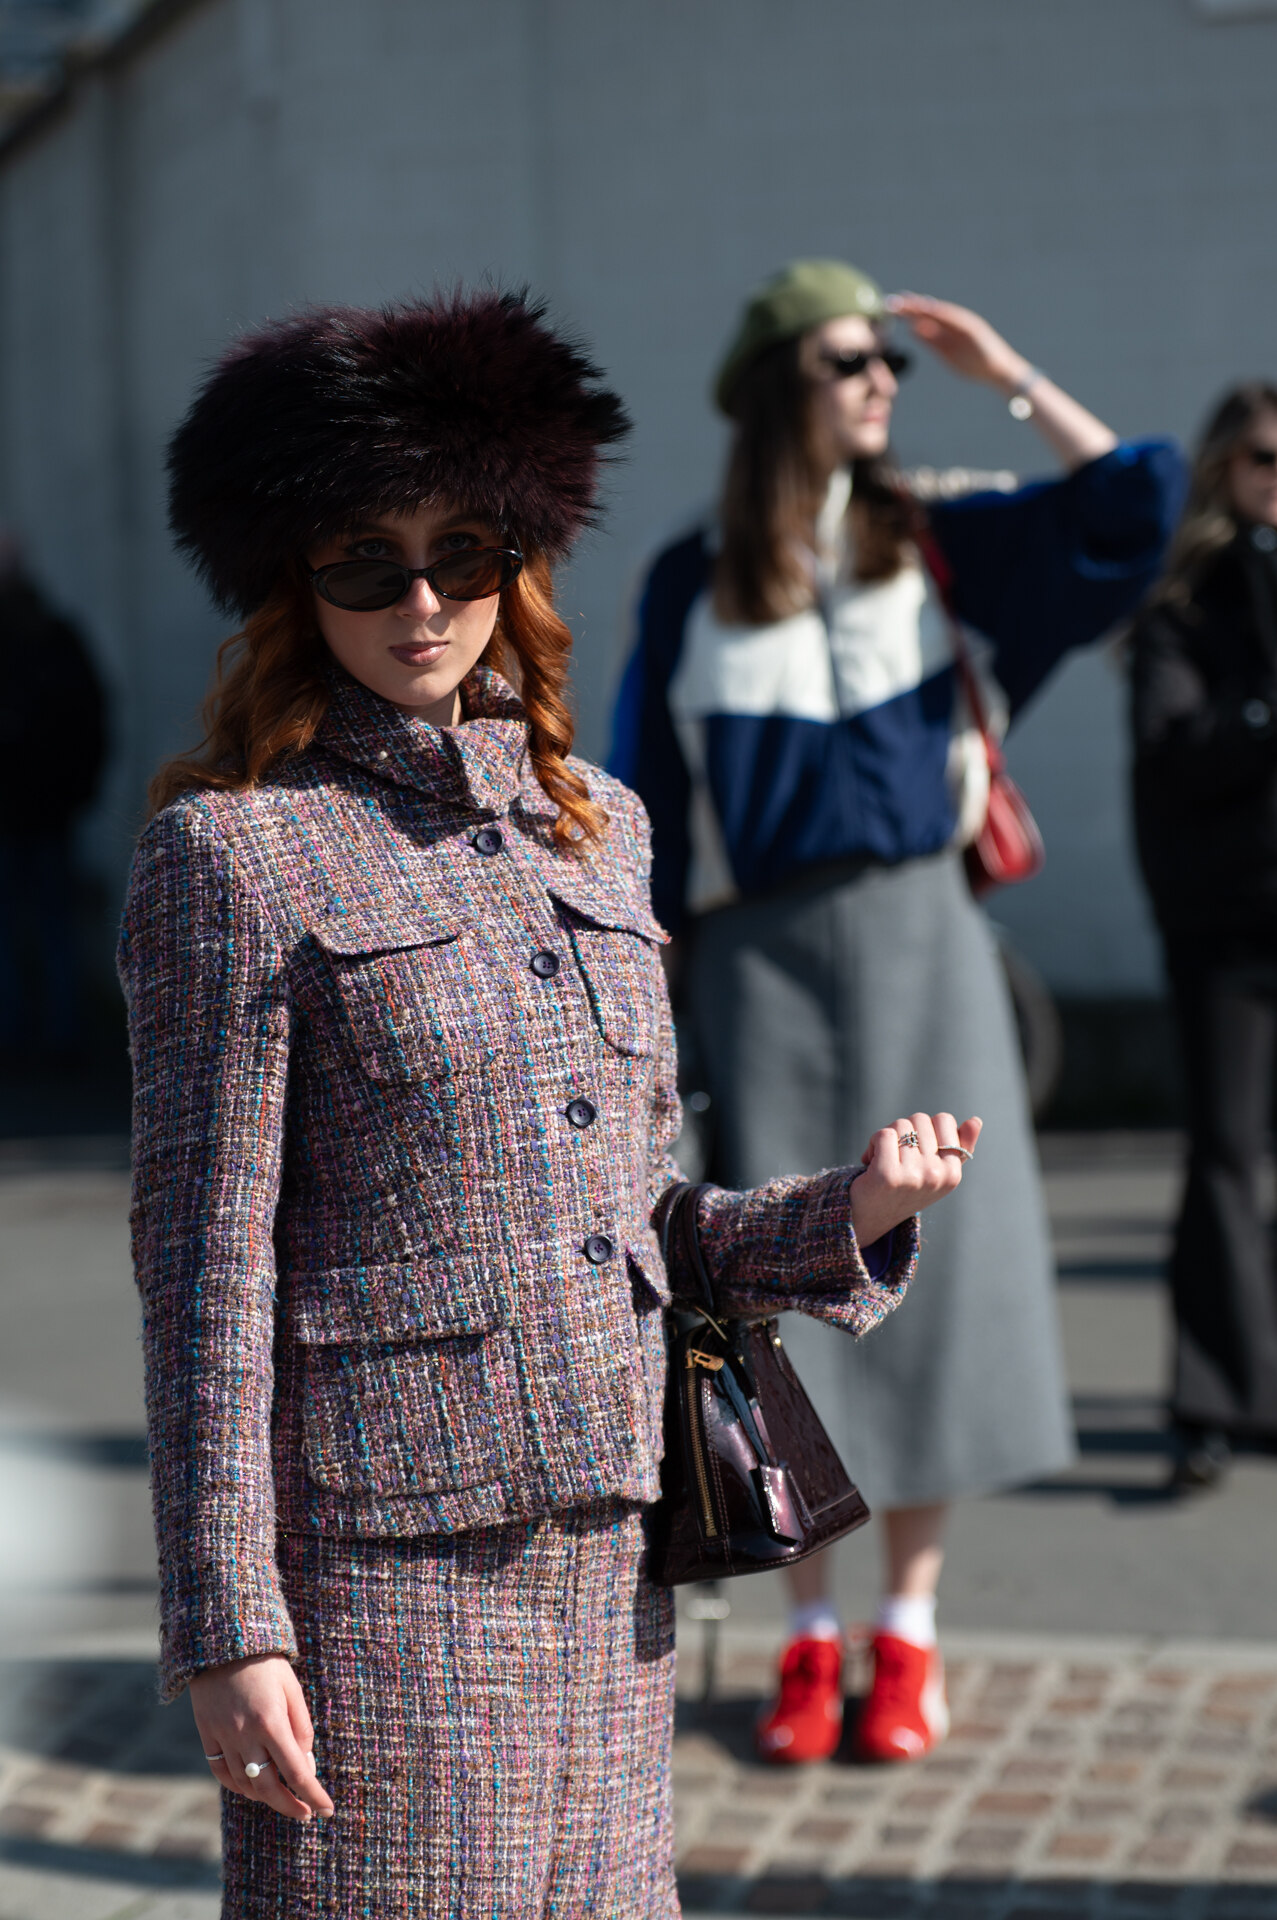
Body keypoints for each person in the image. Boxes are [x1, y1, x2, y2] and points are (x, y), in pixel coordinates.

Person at [120, 288, 980, 1918]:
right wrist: (227, 1625)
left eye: (461, 549)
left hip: (612, 1547)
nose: (421, 597)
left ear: (519, 557)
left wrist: (845, 1214)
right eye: (365, 560)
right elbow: (204, 1275)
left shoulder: (604, 832)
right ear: (294, 582)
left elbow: (639, 1228)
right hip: (382, 1570)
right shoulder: (231, 859)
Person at [610, 260, 1186, 1765]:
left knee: (942, 1291)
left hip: (928, 939)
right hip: (757, 961)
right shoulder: (690, 575)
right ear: (774, 385)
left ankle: (907, 1635)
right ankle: (807, 1634)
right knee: (780, 1295)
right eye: (849, 359)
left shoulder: (932, 544)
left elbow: (1139, 506)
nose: (880, 380)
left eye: (889, 363)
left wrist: (1003, 366)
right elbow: (639, 809)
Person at [1129, 381, 1277, 1493]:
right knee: (1223, 1158)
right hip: (1225, 921)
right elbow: (1171, 755)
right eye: (1265, 458)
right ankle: (1212, 1402)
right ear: (1226, 468)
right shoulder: (1186, 602)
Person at [0, 535, 107, 1064]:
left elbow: (89, 720)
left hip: (38, 809)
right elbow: (93, 719)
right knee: (51, 921)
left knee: (38, 921)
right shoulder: (56, 637)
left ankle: (33, 1034)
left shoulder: (52, 640)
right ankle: (54, 1033)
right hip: (50, 809)